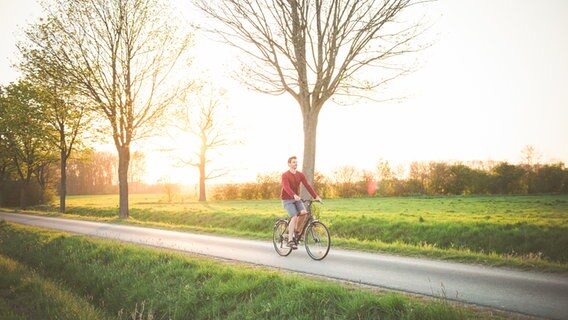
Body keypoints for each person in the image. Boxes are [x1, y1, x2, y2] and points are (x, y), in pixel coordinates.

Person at [281, 156, 321, 249]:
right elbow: (286, 187)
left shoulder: (300, 175)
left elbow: (307, 185)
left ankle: (296, 232)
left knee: (304, 213)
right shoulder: (285, 175)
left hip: (296, 199)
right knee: (294, 216)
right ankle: (290, 240)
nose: (296, 163)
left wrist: (316, 196)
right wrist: (293, 195)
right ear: (289, 164)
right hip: (287, 199)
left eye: (296, 162)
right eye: (293, 162)